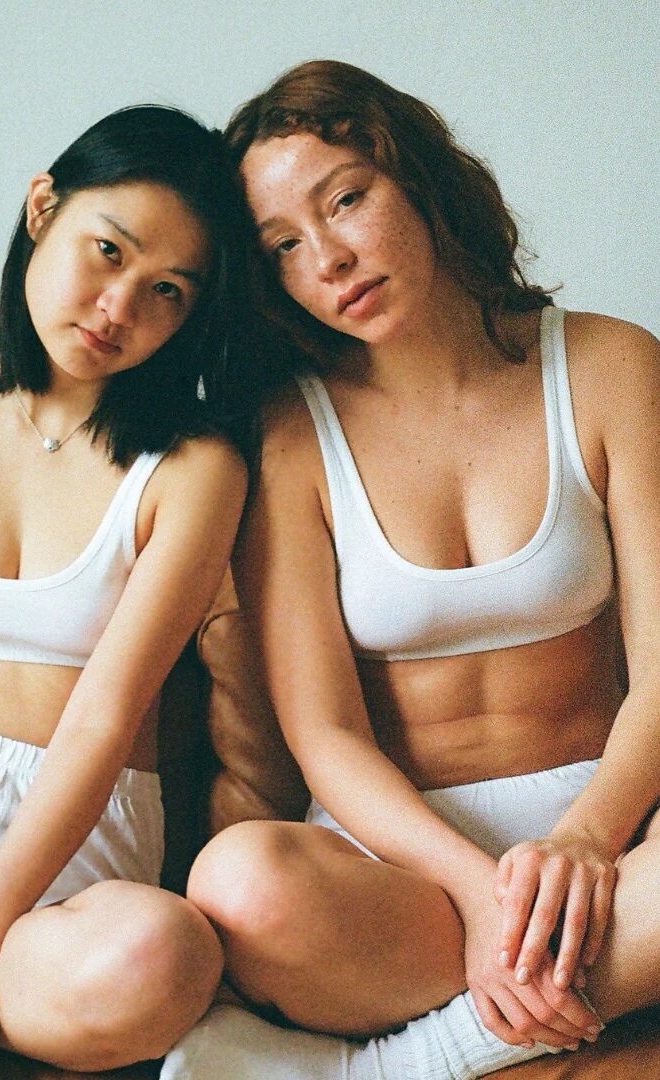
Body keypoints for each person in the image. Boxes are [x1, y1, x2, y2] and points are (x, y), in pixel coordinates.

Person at [166, 60, 660, 1079]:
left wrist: (585, 841)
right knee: (240, 881)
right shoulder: (291, 433)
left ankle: (416, 1058)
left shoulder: (611, 365)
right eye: (285, 248)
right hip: (402, 876)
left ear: (420, 179)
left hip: (612, 848)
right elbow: (324, 733)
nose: (331, 259)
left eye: (346, 199)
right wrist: (483, 896)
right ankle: (560, 990)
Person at [0, 104, 252, 1080]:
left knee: (168, 956)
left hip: (66, 889)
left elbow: (104, 718)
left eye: (167, 291)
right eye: (105, 251)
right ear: (42, 209)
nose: (119, 307)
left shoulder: (196, 467)